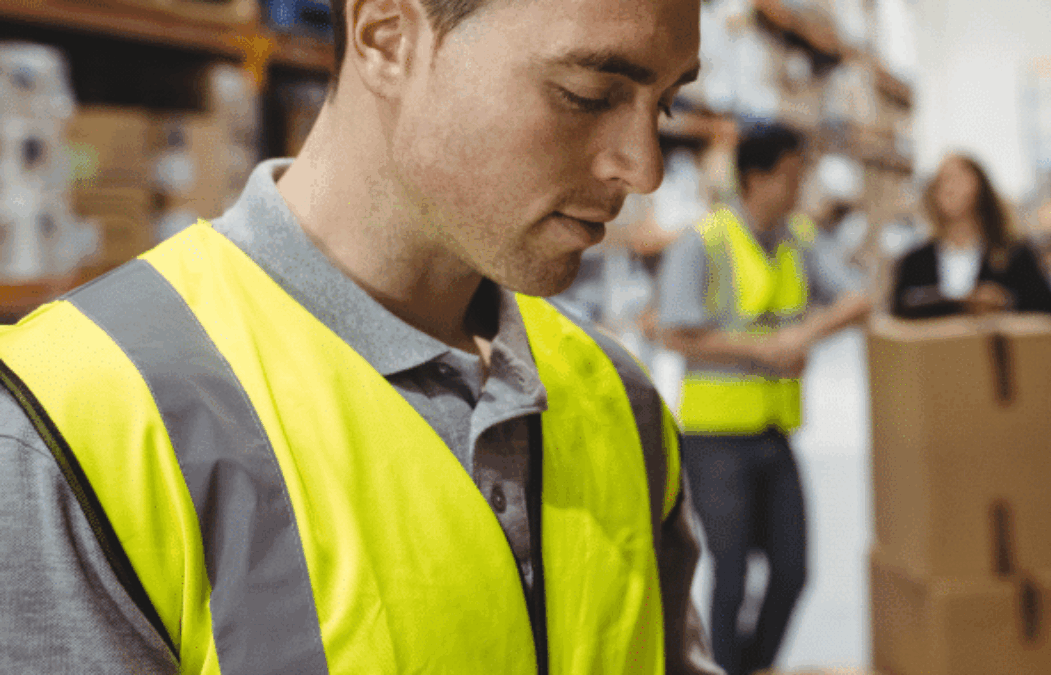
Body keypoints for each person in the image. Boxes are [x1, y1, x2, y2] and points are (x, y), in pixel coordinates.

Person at [0, 0, 726, 673]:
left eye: (664, 104)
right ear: (387, 36)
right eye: (588, 94)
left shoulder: (616, 398)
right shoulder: (78, 420)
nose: (644, 168)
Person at [657, 124, 868, 675]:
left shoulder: (799, 237)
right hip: (715, 436)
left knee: (793, 571)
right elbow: (674, 331)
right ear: (756, 177)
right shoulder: (702, 242)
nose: (801, 188)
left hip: (776, 429)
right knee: (730, 572)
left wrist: (803, 337)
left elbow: (857, 299)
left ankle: (750, 667)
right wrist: (763, 350)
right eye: (792, 176)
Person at [891, 153, 1051, 319]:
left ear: (980, 186)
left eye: (958, 179)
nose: (949, 187)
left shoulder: (1014, 254)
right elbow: (897, 312)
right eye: (941, 180)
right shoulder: (914, 262)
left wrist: (1005, 302)